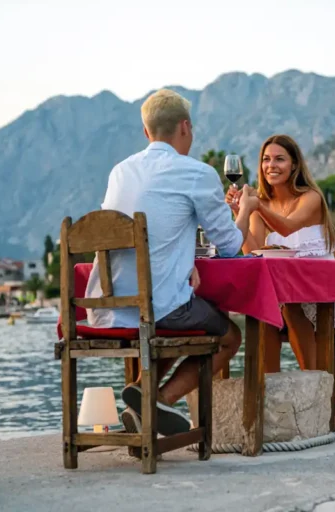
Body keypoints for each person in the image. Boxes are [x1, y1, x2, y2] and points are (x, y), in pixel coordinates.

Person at [84, 89, 260, 436]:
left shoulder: (120, 171)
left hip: (106, 308)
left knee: (185, 307)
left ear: (146, 132)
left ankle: (140, 394)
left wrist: (185, 261)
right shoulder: (196, 173)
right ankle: (157, 400)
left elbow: (139, 232)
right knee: (229, 336)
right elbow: (229, 247)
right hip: (157, 309)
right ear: (185, 127)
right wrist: (246, 211)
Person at [226, 134, 335, 373]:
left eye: (279, 159)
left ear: (294, 164)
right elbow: (253, 251)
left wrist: (256, 205)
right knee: (267, 307)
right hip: (287, 290)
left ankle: (313, 384)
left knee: (289, 303)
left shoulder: (311, 197)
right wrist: (241, 213)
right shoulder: (262, 204)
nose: (271, 165)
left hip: (324, 291)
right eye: (266, 159)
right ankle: (268, 389)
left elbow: (287, 227)